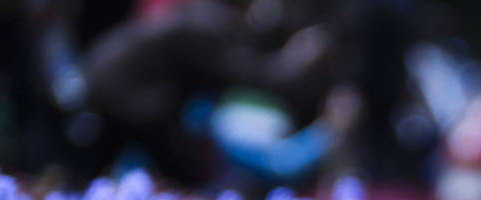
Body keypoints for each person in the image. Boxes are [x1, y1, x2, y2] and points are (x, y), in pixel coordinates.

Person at [81, 0, 334, 185]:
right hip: (127, 96)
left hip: (122, 90)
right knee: (179, 177)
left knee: (173, 173)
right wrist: (297, 60)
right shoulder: (206, 25)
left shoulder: (205, 15)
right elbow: (253, 77)